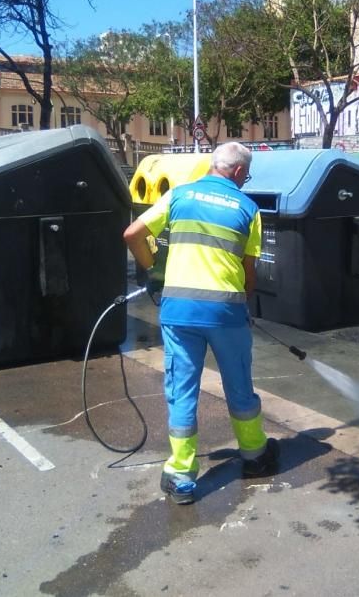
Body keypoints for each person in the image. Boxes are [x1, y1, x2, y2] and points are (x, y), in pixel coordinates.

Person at [123, 142, 279, 504]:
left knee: (182, 390)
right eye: (246, 175)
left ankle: (181, 476)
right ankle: (255, 455)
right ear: (239, 172)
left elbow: (132, 234)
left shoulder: (179, 195)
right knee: (239, 386)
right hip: (226, 313)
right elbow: (248, 274)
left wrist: (152, 269)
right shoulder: (248, 208)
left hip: (179, 313)